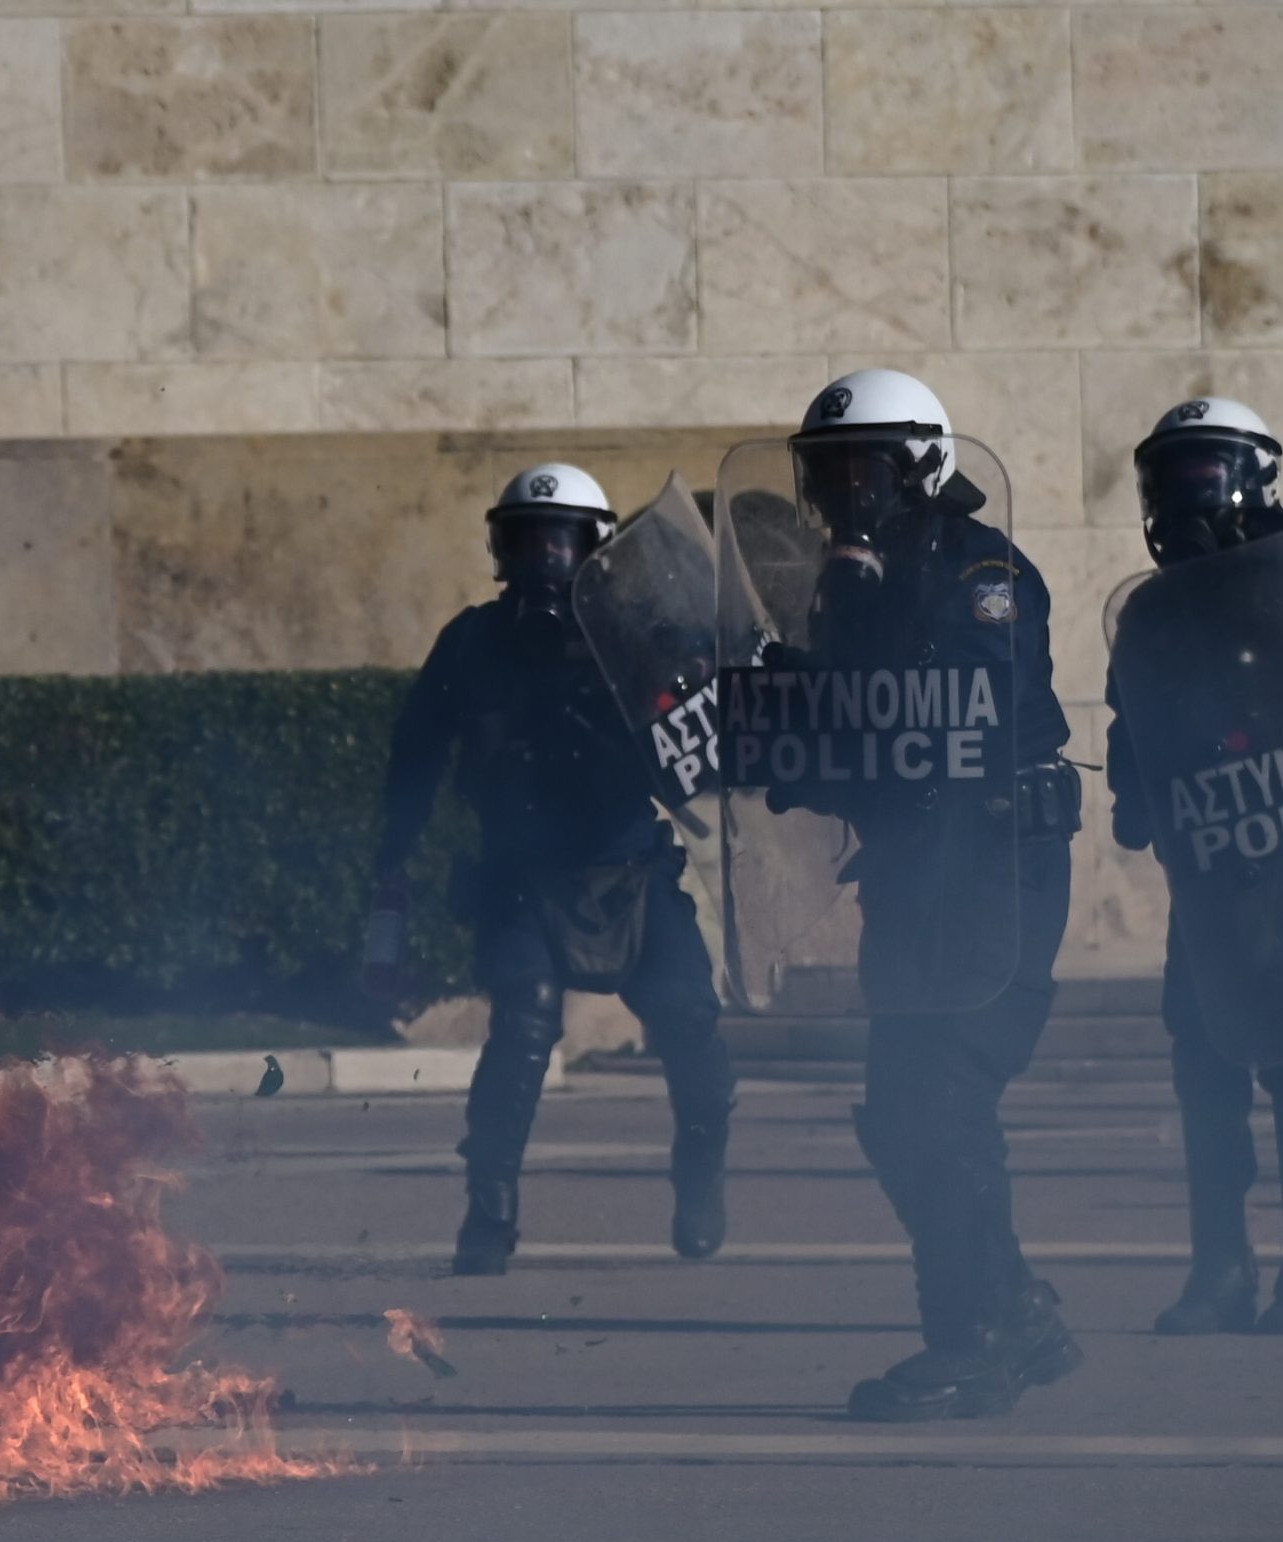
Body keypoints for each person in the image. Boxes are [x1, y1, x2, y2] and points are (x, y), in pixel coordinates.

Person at [764, 370, 1084, 1421]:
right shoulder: (843, 581)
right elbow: (854, 726)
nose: (847, 495)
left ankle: (974, 1339)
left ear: (924, 467)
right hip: (912, 868)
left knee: (943, 1090)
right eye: (829, 473)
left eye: (866, 469)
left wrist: (860, 615)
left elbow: (965, 701)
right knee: (901, 1109)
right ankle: (1013, 1309)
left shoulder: (980, 569)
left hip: (997, 864)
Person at [364, 464, 735, 1275]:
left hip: (629, 871)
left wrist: (684, 681)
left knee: (690, 1019)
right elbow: (416, 752)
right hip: (522, 878)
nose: (543, 559)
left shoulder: (639, 637)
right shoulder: (471, 642)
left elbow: (699, 755)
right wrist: (394, 855)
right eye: (527, 540)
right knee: (525, 1020)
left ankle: (700, 1172)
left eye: (560, 540)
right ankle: (490, 1207)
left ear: (597, 548)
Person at [1105, 397, 1283, 1335]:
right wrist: (1139, 793)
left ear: (1253, 479)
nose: (1178, 502)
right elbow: (1133, 736)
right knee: (1206, 1076)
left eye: (1199, 478)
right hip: (1212, 885)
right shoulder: (1151, 620)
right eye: (1163, 482)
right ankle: (1220, 1268)